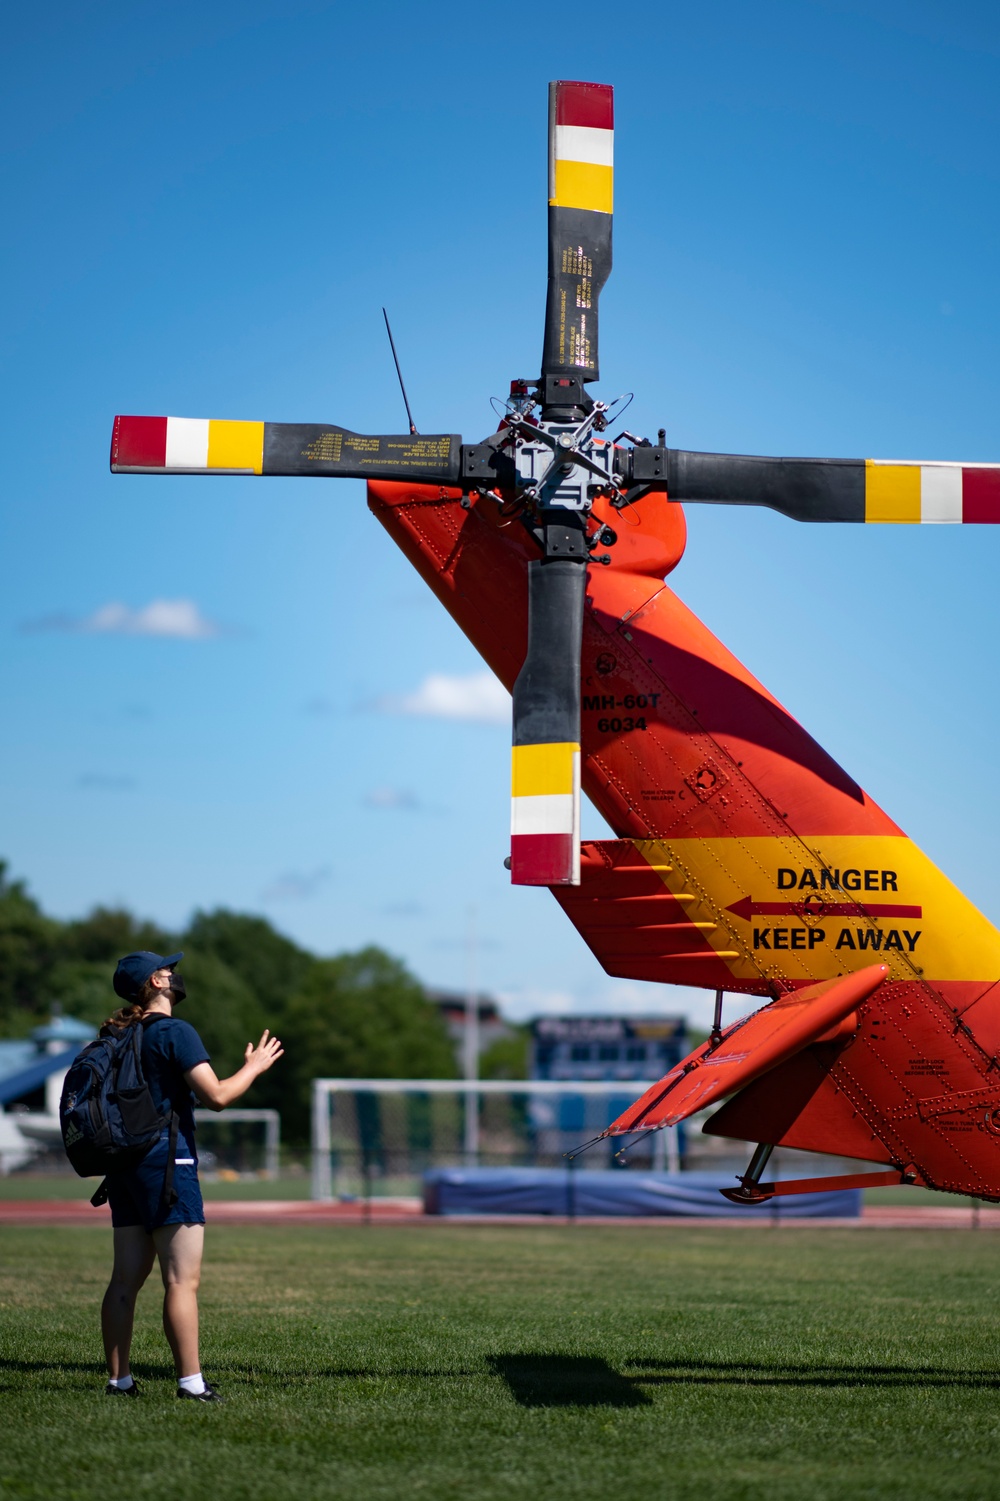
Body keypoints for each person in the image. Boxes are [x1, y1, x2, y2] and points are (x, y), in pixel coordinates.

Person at [99, 949, 283, 1403]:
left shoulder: (118, 1036)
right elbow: (217, 1096)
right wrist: (254, 1067)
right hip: (168, 1164)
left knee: (124, 1280)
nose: (175, 974)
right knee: (181, 1280)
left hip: (124, 1166)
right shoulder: (174, 1031)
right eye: (169, 970)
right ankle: (191, 1384)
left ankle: (119, 1382)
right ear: (155, 984)